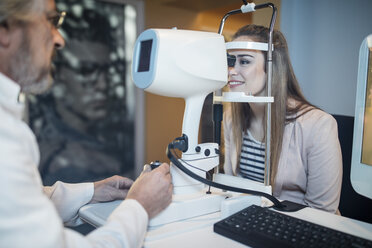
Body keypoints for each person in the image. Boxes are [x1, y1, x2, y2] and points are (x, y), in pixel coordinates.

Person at [0, 0, 172, 247]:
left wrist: (93, 191)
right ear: (4, 30)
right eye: (50, 21)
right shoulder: (5, 137)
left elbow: (19, 201)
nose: (58, 39)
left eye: (105, 71)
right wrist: (140, 205)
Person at [223, 24, 342, 213]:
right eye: (230, 61)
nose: (231, 71)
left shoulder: (318, 126)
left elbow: (322, 211)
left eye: (244, 61)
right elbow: (229, 187)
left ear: (272, 67)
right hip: (247, 219)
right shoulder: (231, 118)